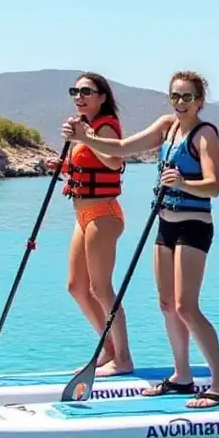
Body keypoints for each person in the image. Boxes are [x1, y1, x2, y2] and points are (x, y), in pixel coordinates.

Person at [65, 71, 219, 409]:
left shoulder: (205, 134)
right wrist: (86, 137)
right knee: (167, 305)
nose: (180, 103)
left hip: (193, 225)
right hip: (165, 225)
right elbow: (123, 148)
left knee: (187, 306)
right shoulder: (165, 126)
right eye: (175, 97)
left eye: (187, 97)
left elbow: (214, 185)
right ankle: (182, 377)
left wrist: (184, 183)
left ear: (200, 101)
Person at [53, 72, 133, 377]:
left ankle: (123, 358)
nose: (79, 96)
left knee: (102, 288)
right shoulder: (83, 128)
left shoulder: (106, 127)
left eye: (87, 91)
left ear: (102, 96)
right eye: (75, 91)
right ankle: (108, 349)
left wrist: (84, 137)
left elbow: (113, 161)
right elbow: (88, 166)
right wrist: (63, 166)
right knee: (76, 286)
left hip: (104, 213)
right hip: (82, 215)